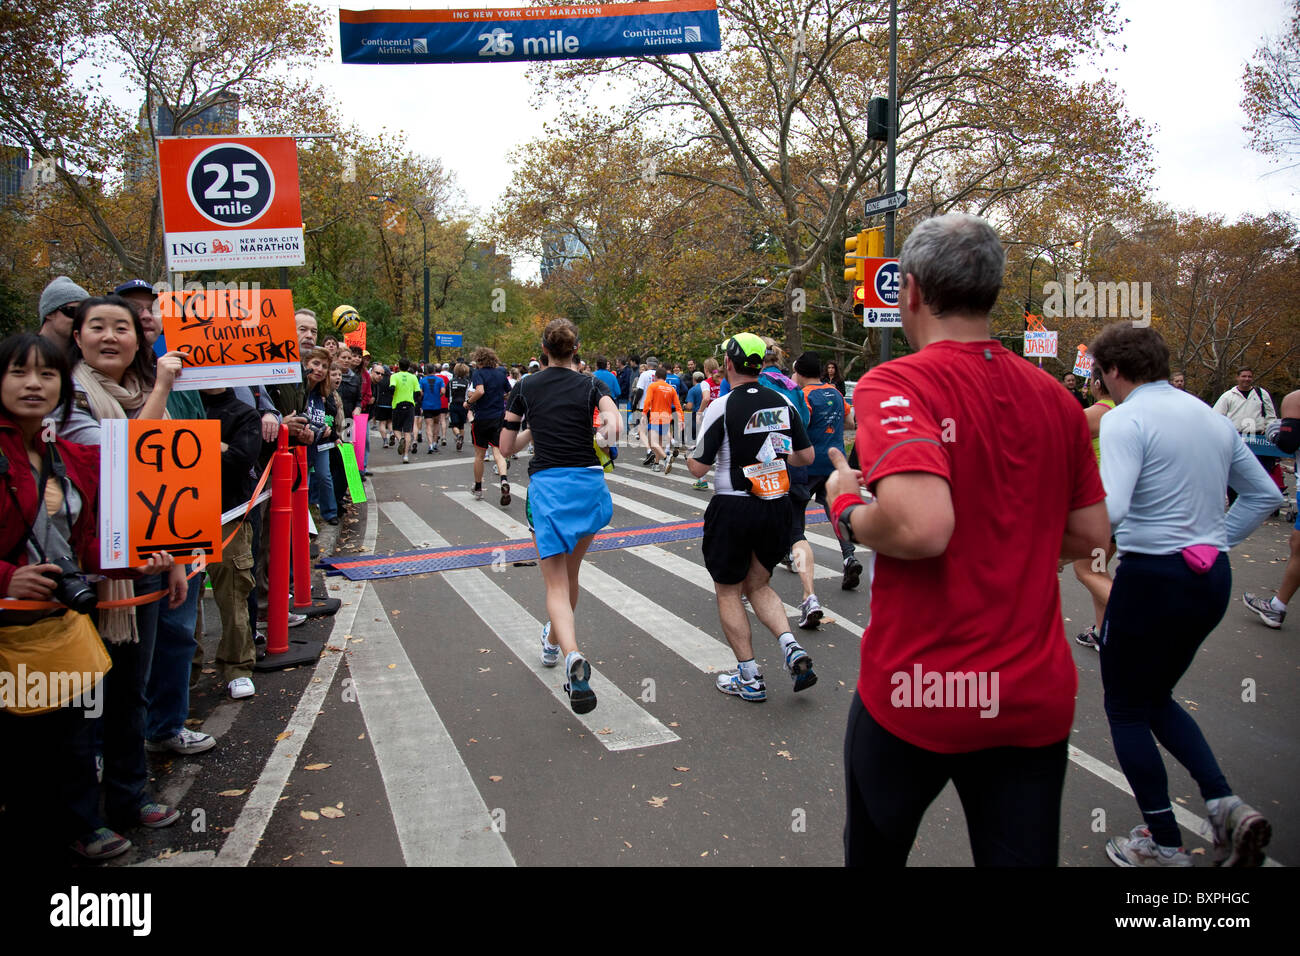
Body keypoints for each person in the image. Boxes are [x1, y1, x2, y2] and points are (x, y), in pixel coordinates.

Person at [827, 213, 1109, 867]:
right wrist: (1021, 538)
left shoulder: (896, 382)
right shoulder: (1058, 400)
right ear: (992, 292)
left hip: (918, 690)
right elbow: (1094, 537)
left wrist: (846, 506)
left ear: (912, 292)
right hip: (1031, 698)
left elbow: (922, 527)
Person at [1089, 321, 1279, 867]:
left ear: (1115, 370)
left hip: (1152, 577)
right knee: (1155, 698)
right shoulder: (1209, 417)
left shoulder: (1127, 419)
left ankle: (1164, 842)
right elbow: (1263, 493)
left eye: (1101, 375)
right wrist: (1215, 539)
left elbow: (1114, 510)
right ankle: (1225, 806)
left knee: (1125, 708)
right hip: (1210, 576)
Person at [0, 333, 177, 861]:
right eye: (19, 372)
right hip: (8, 633)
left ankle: (80, 823)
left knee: (72, 737)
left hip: (60, 628)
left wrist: (134, 560)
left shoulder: (67, 455)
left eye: (46, 375)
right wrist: (5, 577)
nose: (34, 384)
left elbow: (89, 537)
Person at [60, 298, 192, 842]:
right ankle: (82, 818)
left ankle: (130, 796)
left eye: (123, 327)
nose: (111, 336)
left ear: (139, 340)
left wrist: (176, 558)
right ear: (77, 336)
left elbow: (165, 483)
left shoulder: (145, 392)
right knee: (83, 699)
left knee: (129, 688)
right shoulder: (65, 395)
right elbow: (133, 454)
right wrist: (162, 387)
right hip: (84, 575)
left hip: (146, 564)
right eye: (98, 327)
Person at [686, 332, 817, 702]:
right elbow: (805, 458)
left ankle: (749, 676)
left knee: (728, 590)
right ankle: (791, 647)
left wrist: (685, 457)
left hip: (733, 506)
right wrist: (775, 453)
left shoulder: (721, 405)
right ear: (761, 364)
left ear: (728, 363)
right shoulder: (783, 401)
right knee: (758, 584)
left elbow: (698, 468)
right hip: (776, 505)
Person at [501, 319, 618, 714]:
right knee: (571, 576)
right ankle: (552, 643)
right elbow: (612, 421)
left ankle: (571, 656)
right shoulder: (591, 385)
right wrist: (607, 433)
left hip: (549, 487)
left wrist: (532, 429)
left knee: (554, 583)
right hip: (588, 485)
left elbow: (506, 445)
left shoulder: (525, 387)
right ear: (576, 348)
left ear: (543, 348)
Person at [200, 386, 262, 698]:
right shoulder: (176, 403)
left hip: (229, 516)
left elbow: (239, 460)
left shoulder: (243, 412)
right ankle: (188, 669)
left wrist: (195, 446)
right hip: (179, 517)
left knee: (235, 594)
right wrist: (217, 446)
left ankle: (238, 666)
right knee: (182, 603)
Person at [792, 351, 864, 592]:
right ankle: (849, 556)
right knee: (834, 509)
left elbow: (802, 425)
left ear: (800, 373)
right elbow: (851, 422)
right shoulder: (835, 391)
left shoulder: (804, 395)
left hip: (809, 462)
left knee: (797, 509)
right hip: (835, 461)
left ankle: (796, 558)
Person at [1244, 389, 1300, 628]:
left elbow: (1287, 443)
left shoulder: (1295, 399)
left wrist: (1277, 433)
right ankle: (1277, 606)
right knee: (1297, 543)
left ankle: (1277, 607)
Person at [1071, 372, 1117, 650]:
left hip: (1103, 504)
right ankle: (1103, 631)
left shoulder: (1096, 414)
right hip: (1118, 503)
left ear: (1098, 384)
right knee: (1097, 569)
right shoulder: (1122, 411)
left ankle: (1138, 624)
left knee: (1086, 569)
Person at [1213, 367, 1283, 494]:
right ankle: (1234, 500)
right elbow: (1216, 417)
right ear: (1237, 377)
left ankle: (1260, 501)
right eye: (1244, 376)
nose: (1247, 379)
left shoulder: (1261, 394)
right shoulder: (1228, 396)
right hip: (1237, 438)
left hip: (1258, 439)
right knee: (1236, 472)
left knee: (1261, 473)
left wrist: (1268, 429)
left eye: (1249, 376)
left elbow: (1271, 415)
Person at [466, 347, 511, 503]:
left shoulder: (478, 373)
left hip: (482, 417)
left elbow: (480, 391)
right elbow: (508, 392)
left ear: (479, 360)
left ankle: (478, 487)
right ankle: (504, 479)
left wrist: (468, 402)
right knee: (498, 452)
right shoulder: (501, 373)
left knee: (479, 454)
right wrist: (499, 398)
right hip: (498, 416)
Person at [303, 349, 339, 525]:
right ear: (306, 364)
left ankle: (330, 512)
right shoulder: (301, 391)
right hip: (303, 445)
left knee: (325, 476)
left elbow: (328, 416)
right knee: (305, 483)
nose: (320, 369)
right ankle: (307, 520)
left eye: (324, 366)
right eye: (316, 364)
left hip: (321, 443)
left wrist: (326, 428)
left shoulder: (322, 394)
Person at [642, 366, 684, 472]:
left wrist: (644, 413)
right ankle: (656, 464)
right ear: (665, 377)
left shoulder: (653, 386)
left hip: (655, 416)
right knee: (659, 442)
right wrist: (681, 419)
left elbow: (647, 401)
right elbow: (678, 406)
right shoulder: (671, 388)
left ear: (656, 377)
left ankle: (666, 458)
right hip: (667, 417)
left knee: (653, 443)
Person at [37, 276, 90, 356]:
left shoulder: (89, 359)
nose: (80, 319)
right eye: (73, 312)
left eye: (86, 313)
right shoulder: (22, 354)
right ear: (49, 313)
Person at [389, 357, 420, 464]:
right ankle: (406, 456)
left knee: (396, 428)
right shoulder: (413, 377)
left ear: (399, 365)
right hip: (410, 405)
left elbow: (391, 388)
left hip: (397, 404)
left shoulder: (394, 376)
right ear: (409, 366)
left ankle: (399, 439)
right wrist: (414, 401)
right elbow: (417, 392)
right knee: (408, 431)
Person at [420, 363, 445, 453]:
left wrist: (425, 396)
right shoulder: (440, 380)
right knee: (436, 424)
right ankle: (435, 443)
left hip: (426, 405)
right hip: (437, 405)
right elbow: (443, 391)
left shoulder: (423, 380)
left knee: (428, 425)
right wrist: (438, 395)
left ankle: (430, 445)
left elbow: (420, 392)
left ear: (426, 371)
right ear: (434, 370)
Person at [448, 363, 471, 452]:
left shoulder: (451, 381)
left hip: (454, 404)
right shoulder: (467, 382)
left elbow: (449, 394)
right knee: (461, 425)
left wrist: (449, 404)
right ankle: (460, 443)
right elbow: (467, 395)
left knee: (453, 424)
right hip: (463, 405)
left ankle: (458, 436)